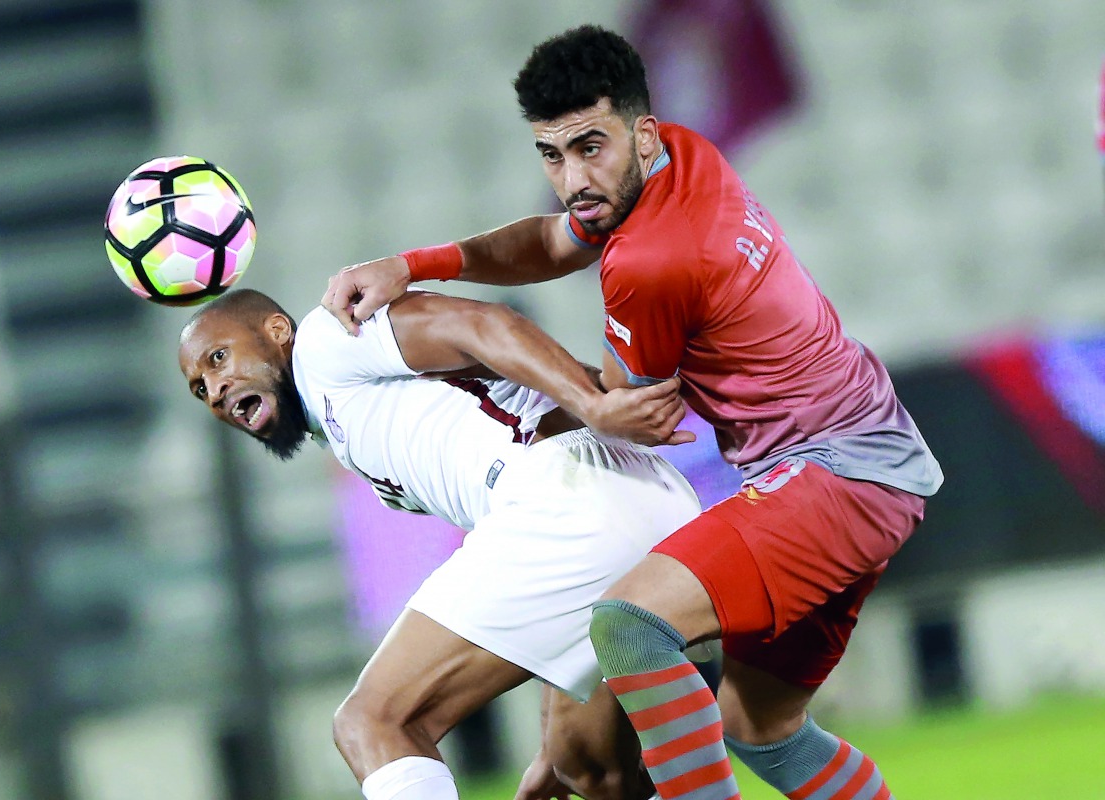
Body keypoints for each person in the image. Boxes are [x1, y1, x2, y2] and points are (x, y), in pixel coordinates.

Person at [321, 24, 943, 800]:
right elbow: (553, 240)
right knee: (762, 731)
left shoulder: (650, 260)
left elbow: (622, 407)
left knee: (629, 623)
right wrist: (414, 265)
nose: (573, 176)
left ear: (639, 134)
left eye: (591, 146)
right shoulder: (685, 154)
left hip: (828, 477)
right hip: (873, 461)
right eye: (552, 154)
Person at [177, 287, 704, 800]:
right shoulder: (346, 418)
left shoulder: (325, 339)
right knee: (588, 767)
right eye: (200, 388)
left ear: (276, 331)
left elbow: (485, 324)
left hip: (567, 496)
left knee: (375, 720)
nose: (216, 390)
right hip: (636, 500)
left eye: (218, 358)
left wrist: (596, 403)